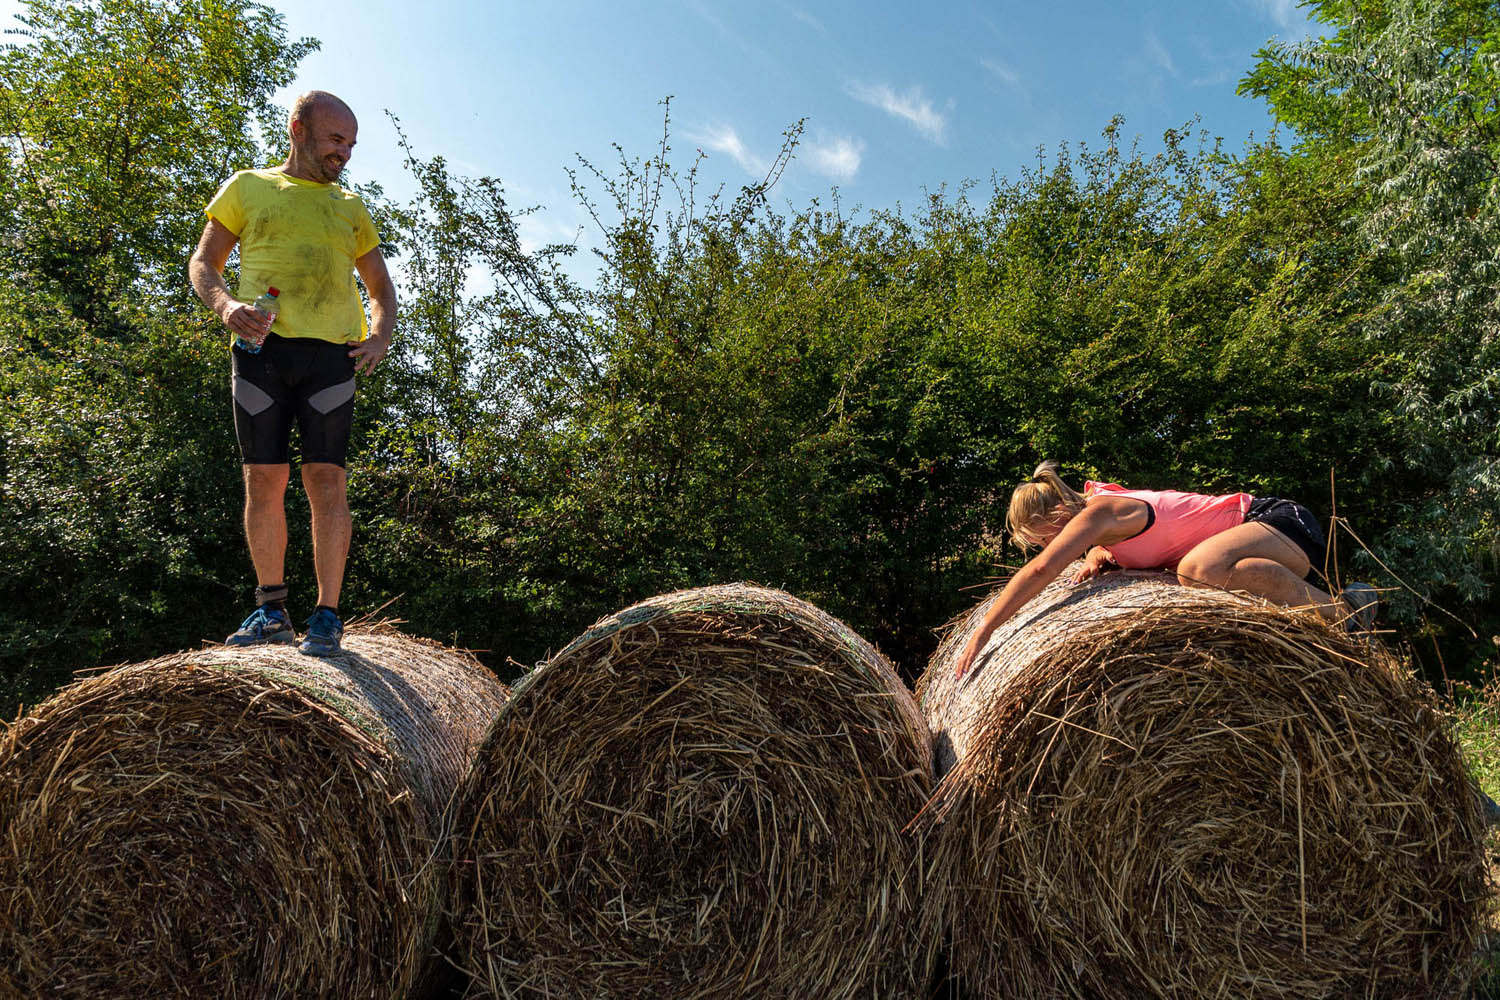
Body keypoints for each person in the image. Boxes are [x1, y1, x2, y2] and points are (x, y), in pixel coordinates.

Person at [188, 91, 396, 657]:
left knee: (326, 481)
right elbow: (203, 263)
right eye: (335, 140)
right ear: (299, 130)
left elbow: (381, 290)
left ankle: (327, 615)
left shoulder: (351, 206)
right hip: (262, 353)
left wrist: (380, 335)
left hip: (331, 357)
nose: (344, 154)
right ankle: (271, 609)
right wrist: (228, 307)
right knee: (264, 479)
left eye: (351, 144)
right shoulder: (248, 187)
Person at [953, 461, 1378, 679]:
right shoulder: (1102, 533)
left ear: (1059, 514)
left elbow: (1044, 568)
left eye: (1042, 537)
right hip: (1255, 549)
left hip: (1278, 522)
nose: (1046, 548)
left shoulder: (1098, 513)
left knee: (1197, 569)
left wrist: (987, 628)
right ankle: (1340, 612)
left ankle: (1344, 614)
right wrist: (1100, 555)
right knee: (1217, 571)